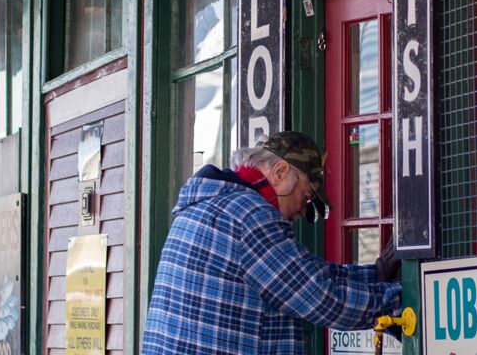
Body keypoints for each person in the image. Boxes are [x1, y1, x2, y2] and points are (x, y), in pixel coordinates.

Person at [142, 131, 402, 354]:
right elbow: (319, 297)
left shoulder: (212, 205)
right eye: (307, 195)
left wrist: (374, 274)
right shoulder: (249, 215)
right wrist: (403, 299)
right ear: (280, 172)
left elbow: (302, 272)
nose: (303, 210)